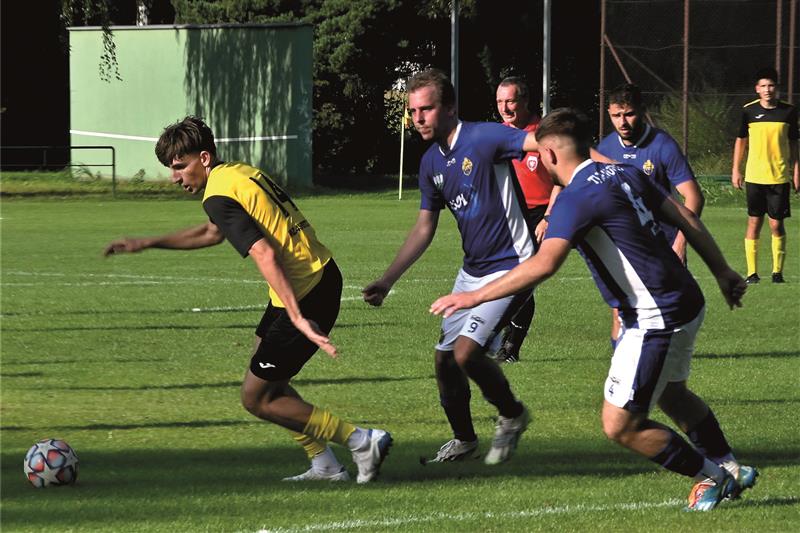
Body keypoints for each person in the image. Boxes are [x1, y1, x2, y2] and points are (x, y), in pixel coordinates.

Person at [430, 107, 758, 511]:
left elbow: (544, 263)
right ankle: (729, 464)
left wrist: (473, 296)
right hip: (686, 301)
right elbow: (685, 215)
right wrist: (722, 270)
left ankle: (711, 475)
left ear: (549, 155)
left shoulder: (576, 197)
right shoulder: (624, 172)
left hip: (655, 318)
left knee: (619, 425)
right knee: (672, 393)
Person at [103, 116, 392, 483]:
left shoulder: (219, 194)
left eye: (180, 166)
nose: (175, 177)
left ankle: (361, 440)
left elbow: (264, 253)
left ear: (203, 157)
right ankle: (324, 463)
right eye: (171, 169)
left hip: (306, 292)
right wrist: (147, 243)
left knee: (255, 398)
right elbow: (211, 234)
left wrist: (297, 317)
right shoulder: (236, 174)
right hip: (317, 277)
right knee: (264, 371)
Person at [362, 68, 536, 465]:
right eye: (413, 111)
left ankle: (512, 414)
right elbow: (425, 227)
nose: (418, 117)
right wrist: (387, 281)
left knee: (465, 353)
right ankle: (464, 440)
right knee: (444, 360)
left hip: (513, 265)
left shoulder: (484, 136)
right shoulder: (430, 162)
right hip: (472, 269)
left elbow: (539, 141)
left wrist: (585, 176)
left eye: (427, 108)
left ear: (451, 107)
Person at [597, 83, 705, 348]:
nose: (623, 122)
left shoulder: (662, 145)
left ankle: (663, 365)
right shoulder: (606, 148)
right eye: (616, 115)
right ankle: (622, 364)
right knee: (620, 312)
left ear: (642, 111)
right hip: (624, 244)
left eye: (629, 114)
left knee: (667, 314)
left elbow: (693, 196)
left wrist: (681, 242)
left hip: (662, 244)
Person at [492, 76, 561, 363]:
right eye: (499, 102)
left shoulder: (545, 133)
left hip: (539, 215)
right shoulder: (496, 135)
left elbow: (561, 180)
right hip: (508, 215)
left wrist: (548, 217)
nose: (504, 108)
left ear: (525, 101)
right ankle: (505, 340)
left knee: (523, 279)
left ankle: (509, 346)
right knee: (506, 277)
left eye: (510, 101)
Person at [731, 67, 800, 284]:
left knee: (776, 225)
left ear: (776, 88)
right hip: (754, 177)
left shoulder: (789, 111)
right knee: (754, 222)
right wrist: (736, 169)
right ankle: (752, 273)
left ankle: (777, 272)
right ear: (757, 89)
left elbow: (794, 143)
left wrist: (796, 171)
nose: (767, 89)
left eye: (771, 85)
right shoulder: (748, 111)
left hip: (779, 177)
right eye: (763, 86)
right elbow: (741, 140)